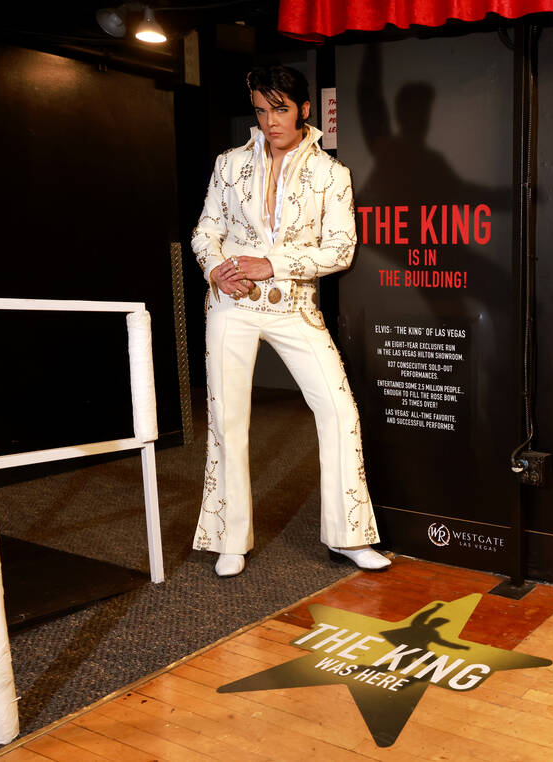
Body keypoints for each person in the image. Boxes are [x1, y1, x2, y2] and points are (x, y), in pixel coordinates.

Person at [190, 65, 387, 577]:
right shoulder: (228, 164)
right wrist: (215, 268)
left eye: (280, 108)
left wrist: (273, 263)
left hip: (294, 306)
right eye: (260, 109)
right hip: (231, 305)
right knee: (227, 421)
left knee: (339, 411)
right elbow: (204, 231)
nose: (270, 120)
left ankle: (348, 536)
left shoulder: (330, 174)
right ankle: (231, 538)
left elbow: (341, 250)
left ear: (303, 109)